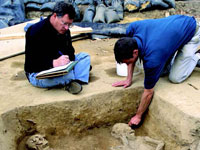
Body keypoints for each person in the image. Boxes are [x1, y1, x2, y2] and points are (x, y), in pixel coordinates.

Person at [112, 15, 200, 128]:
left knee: (175, 77)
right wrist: (128, 79)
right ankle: (174, 54)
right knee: (162, 72)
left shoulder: (153, 59)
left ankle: (196, 56)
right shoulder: (132, 28)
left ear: (135, 52)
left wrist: (138, 116)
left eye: (127, 62)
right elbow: (131, 56)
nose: (128, 64)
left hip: (191, 30)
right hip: (169, 35)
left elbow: (148, 92)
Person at [24, 1, 91, 94]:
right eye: (64, 23)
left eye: (69, 24)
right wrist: (53, 63)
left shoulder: (65, 31)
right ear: (55, 16)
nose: (67, 27)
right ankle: (75, 78)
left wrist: (67, 59)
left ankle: (74, 82)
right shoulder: (35, 31)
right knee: (67, 75)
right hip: (38, 73)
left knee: (84, 57)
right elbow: (31, 65)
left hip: (61, 68)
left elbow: (71, 52)